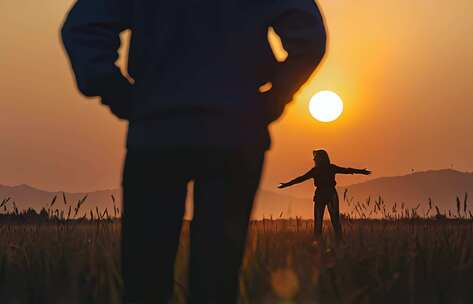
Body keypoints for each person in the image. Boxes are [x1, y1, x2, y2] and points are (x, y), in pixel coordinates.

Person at [60, 0, 327, 303]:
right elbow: (310, 38)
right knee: (217, 275)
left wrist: (115, 90)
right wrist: (276, 95)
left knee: (145, 273)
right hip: (235, 134)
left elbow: (82, 28)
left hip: (158, 133)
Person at [278, 150, 371, 242]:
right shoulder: (328, 168)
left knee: (326, 221)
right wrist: (361, 171)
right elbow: (346, 170)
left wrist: (287, 184)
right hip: (327, 195)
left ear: (320, 159)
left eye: (315, 157)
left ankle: (324, 242)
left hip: (325, 195)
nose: (314, 159)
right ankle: (331, 242)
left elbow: (300, 179)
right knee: (329, 221)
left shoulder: (319, 170)